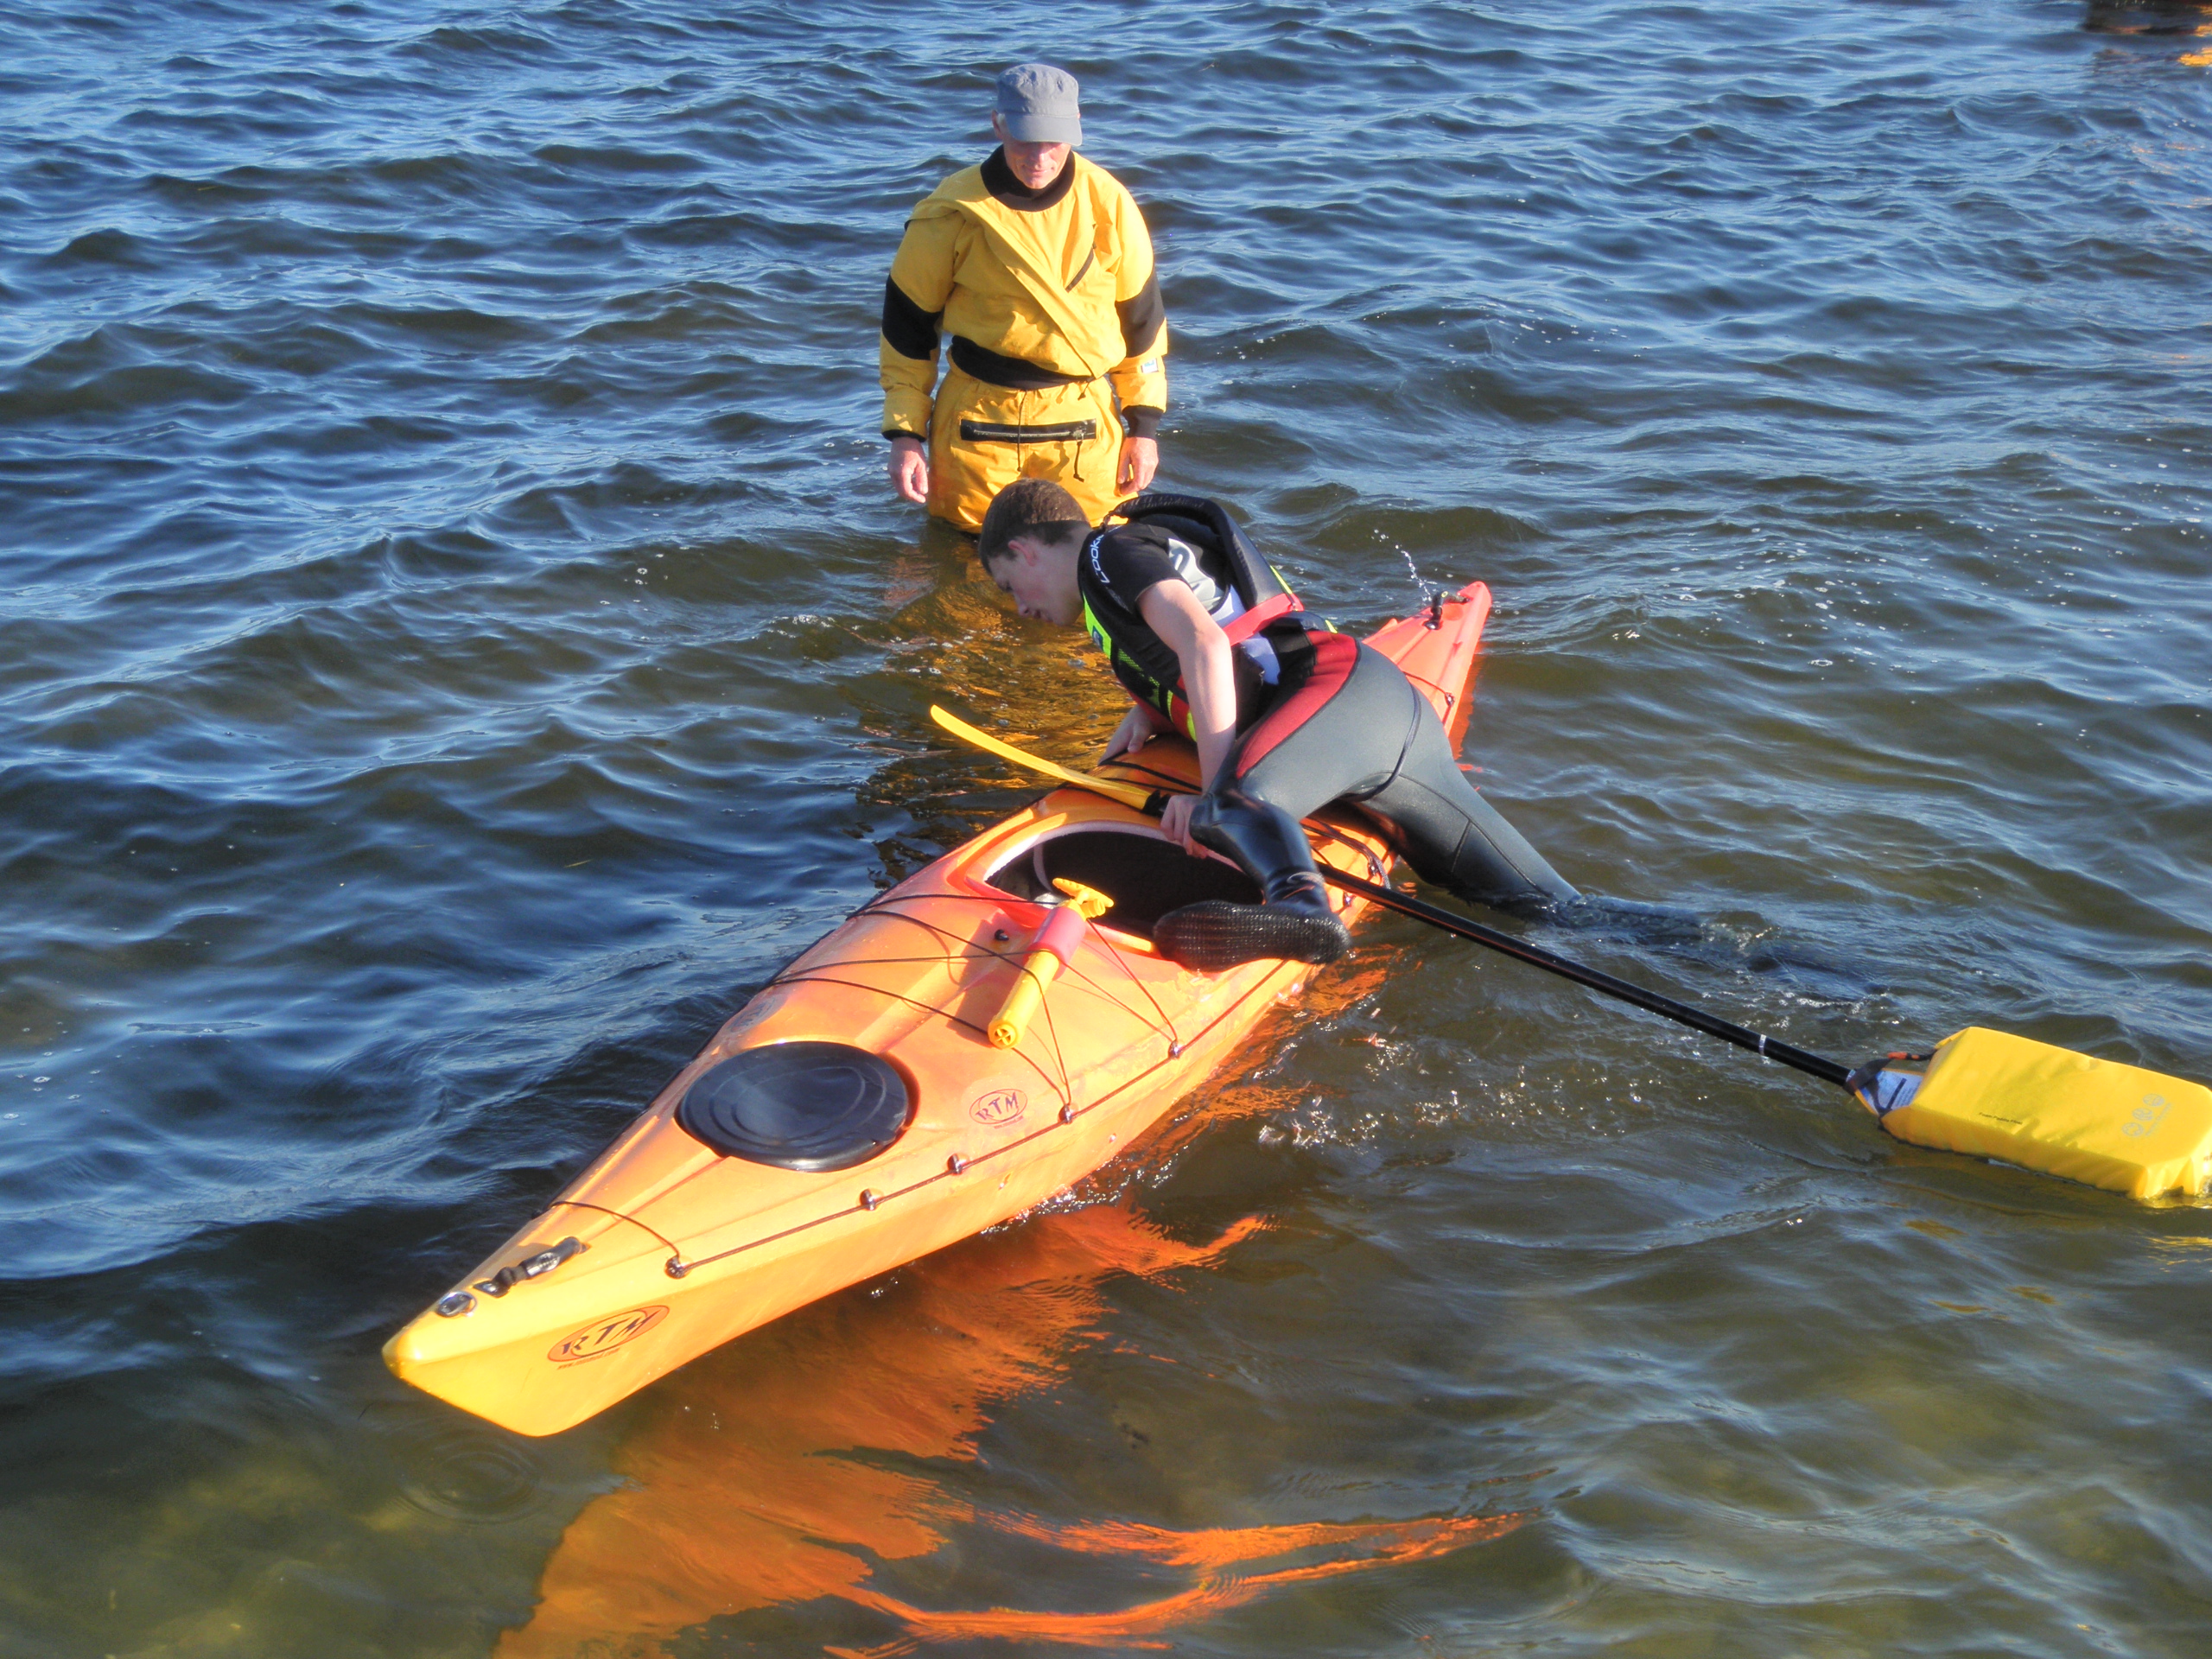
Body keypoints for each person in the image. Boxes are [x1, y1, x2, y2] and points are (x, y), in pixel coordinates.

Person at [974, 479, 1580, 971]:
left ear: (1025, 548)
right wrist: (1152, 710)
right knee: (1550, 913)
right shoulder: (1113, 587)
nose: (1020, 606)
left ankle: (1303, 909)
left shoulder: (1107, 554)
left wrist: (1213, 798)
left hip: (1339, 695)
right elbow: (1213, 642)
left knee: (1230, 806)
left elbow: (1207, 646)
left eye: (1008, 584)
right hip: (1366, 721)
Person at [880, 63, 1167, 534]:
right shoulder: (951, 210)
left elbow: (1143, 326)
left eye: (1052, 142)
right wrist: (906, 434)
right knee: (967, 573)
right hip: (976, 422)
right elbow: (907, 330)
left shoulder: (1109, 204)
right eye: (1024, 140)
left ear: (1077, 127)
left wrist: (1144, 429)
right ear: (997, 124)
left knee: (1090, 566)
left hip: (1081, 424)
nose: (1039, 158)